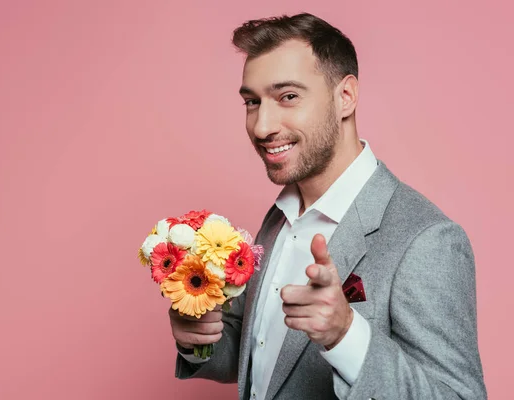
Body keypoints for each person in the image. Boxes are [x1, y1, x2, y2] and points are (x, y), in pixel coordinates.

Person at [169, 12, 486, 400]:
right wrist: (198, 340)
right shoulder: (280, 216)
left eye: (288, 97)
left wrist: (346, 335)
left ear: (346, 97)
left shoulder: (428, 240)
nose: (262, 126)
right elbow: (269, 358)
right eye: (252, 102)